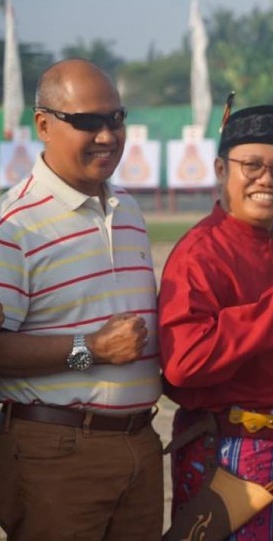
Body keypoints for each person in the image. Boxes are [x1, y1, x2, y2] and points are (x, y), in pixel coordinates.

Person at [0, 58, 162, 539]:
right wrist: (87, 348)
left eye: (115, 118)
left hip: (140, 442)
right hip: (55, 451)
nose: (108, 136)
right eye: (88, 122)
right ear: (44, 126)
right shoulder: (15, 225)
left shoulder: (128, 210)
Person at [158, 104, 273, 539]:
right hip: (233, 457)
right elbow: (184, 361)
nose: (267, 179)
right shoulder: (200, 252)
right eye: (251, 165)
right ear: (219, 168)